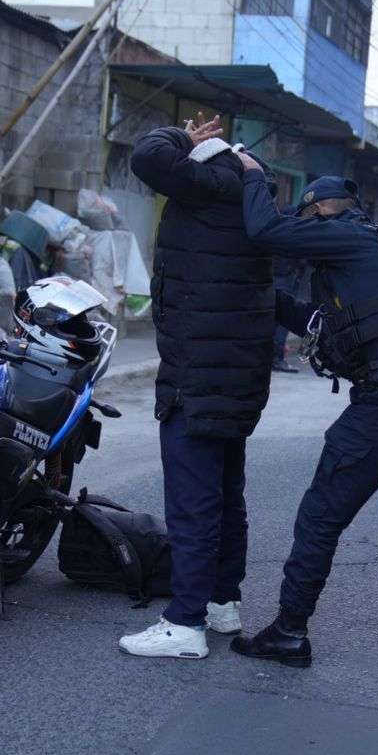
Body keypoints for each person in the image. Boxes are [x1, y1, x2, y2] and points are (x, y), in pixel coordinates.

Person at [229, 158, 378, 678]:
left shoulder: (341, 235)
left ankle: (290, 632)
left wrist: (251, 174)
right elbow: (328, 324)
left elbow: (265, 230)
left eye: (307, 221)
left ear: (319, 211)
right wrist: (271, 300)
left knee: (320, 517)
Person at [117, 115, 275, 660]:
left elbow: (148, 155)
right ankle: (222, 602)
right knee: (226, 496)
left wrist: (184, 138)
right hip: (237, 372)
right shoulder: (250, 193)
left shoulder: (208, 187)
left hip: (199, 373)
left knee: (192, 503)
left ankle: (184, 622)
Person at [272, 255, 306, 372]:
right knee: (282, 317)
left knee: (275, 315)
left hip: (280, 269)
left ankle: (275, 356)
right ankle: (277, 358)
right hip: (285, 270)